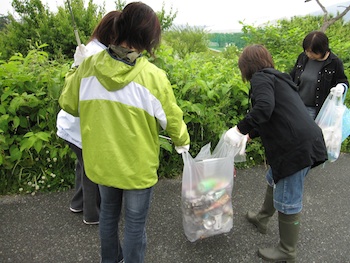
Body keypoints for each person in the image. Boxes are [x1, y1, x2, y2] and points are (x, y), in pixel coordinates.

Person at [58, 2, 190, 263]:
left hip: (102, 163)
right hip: (137, 166)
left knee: (107, 214)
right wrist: (182, 142)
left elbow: (68, 104)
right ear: (148, 37)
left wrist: (75, 69)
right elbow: (172, 119)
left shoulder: (88, 67)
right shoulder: (153, 77)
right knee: (134, 224)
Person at [224, 44, 328, 262]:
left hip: (294, 148)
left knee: (288, 199)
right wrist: (250, 134)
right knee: (274, 178)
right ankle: (262, 218)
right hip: (305, 140)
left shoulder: (260, 78)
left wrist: (239, 129)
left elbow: (263, 108)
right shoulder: (278, 77)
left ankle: (287, 251)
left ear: (246, 66)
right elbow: (276, 113)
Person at [56, 10, 121, 225]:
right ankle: (92, 214)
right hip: (78, 125)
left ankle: (78, 203)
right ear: (113, 34)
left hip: (72, 125)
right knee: (92, 169)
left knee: (82, 165)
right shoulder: (95, 53)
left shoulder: (93, 49)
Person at [290, 30, 348, 119]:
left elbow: (343, 81)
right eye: (307, 51)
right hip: (297, 105)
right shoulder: (303, 57)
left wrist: (340, 87)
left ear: (322, 49)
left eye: (313, 52)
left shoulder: (334, 62)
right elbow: (292, 76)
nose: (309, 54)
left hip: (317, 110)